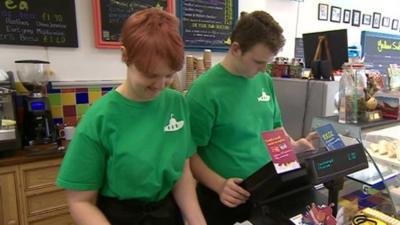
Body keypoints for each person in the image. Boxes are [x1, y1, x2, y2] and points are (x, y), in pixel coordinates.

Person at [56, 8, 206, 225]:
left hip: (166, 214)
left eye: (168, 75)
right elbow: (80, 202)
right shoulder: (99, 119)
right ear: (125, 55)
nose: (160, 85)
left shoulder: (177, 103)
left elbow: (181, 172)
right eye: (150, 75)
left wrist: (197, 221)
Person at [186, 11, 317, 225]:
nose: (263, 69)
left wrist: (293, 149)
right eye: (258, 62)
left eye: (267, 62)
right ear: (236, 48)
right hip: (226, 197)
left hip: (269, 189)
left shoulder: (264, 80)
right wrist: (220, 185)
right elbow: (189, 154)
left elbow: (274, 128)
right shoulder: (204, 91)